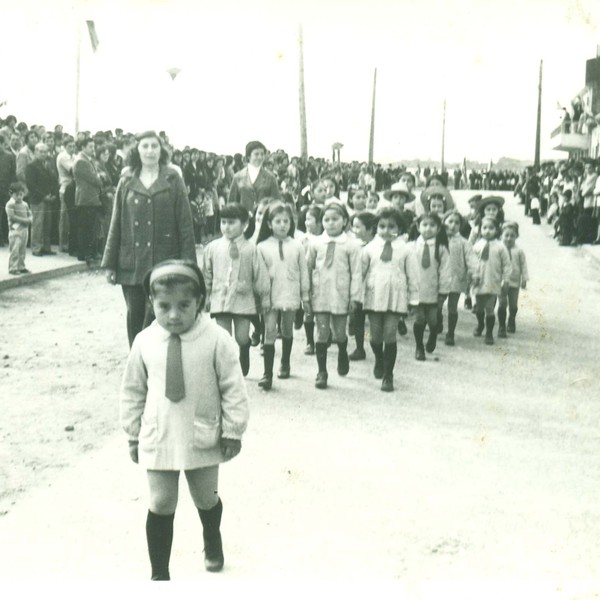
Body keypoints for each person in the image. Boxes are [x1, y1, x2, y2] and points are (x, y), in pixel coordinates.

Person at [120, 259, 249, 580]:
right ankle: (160, 575)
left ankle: (212, 538)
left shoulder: (217, 339)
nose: (174, 314)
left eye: (184, 305)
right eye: (164, 306)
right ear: (151, 302)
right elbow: (133, 389)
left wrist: (233, 431)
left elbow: (233, 388)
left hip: (201, 433)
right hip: (158, 434)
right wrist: (133, 433)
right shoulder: (145, 341)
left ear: (201, 303)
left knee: (205, 498)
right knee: (161, 502)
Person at [102, 130, 197, 347]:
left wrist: (189, 265)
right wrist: (110, 264)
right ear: (137, 150)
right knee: (135, 314)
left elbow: (185, 224)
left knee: (158, 314)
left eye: (154, 146)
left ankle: (157, 361)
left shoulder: (173, 179)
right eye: (144, 146)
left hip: (165, 261)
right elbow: (116, 222)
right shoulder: (127, 179)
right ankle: (137, 363)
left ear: (161, 150)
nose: (150, 151)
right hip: (132, 262)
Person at [202, 203, 270, 376]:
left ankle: (244, 350)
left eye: (232, 222)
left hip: (243, 299)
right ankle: (226, 370)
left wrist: (265, 297)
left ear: (244, 224)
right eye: (223, 222)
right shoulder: (212, 248)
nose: (226, 227)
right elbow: (206, 274)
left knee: (241, 336)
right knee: (224, 337)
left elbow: (260, 275)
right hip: (221, 298)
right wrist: (206, 296)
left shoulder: (251, 249)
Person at [306, 202, 362, 389]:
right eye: (326, 219)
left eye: (335, 219)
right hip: (320, 293)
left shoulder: (352, 245)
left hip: (341, 293)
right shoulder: (315, 243)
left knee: (339, 332)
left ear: (345, 220)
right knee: (322, 332)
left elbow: (356, 273)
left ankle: (342, 352)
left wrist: (355, 297)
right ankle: (322, 371)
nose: (330, 223)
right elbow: (309, 267)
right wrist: (306, 293)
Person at [255, 201, 310, 389]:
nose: (282, 225)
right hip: (269, 296)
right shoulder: (262, 247)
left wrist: (305, 297)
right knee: (270, 330)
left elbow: (303, 271)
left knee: (287, 328)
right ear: (269, 224)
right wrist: (262, 296)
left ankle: (285, 362)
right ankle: (267, 374)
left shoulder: (297, 246)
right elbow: (260, 275)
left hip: (290, 293)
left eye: (286, 221)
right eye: (277, 221)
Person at [362, 208, 418, 391]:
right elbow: (360, 273)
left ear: (400, 228)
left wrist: (414, 300)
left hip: (396, 296)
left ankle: (388, 375)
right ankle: (379, 358)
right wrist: (355, 296)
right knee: (375, 336)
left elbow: (413, 276)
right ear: (376, 227)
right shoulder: (369, 248)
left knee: (389, 334)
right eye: (382, 226)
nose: (386, 230)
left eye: (392, 227)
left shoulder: (406, 250)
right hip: (374, 295)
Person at [410, 213, 451, 361]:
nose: (428, 229)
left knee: (433, 320)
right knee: (419, 319)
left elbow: (445, 271)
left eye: (432, 225)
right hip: (416, 291)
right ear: (418, 226)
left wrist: (443, 291)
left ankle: (433, 334)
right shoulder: (412, 246)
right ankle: (419, 347)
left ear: (439, 228)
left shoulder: (441, 249)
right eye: (424, 225)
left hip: (433, 291)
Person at [440, 210, 479, 346]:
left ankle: (450, 333)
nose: (453, 225)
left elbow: (471, 258)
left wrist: (475, 272)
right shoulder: (438, 239)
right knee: (437, 304)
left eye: (457, 222)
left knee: (452, 306)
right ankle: (437, 321)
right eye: (450, 221)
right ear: (443, 222)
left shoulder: (463, 242)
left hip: (457, 278)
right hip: (440, 278)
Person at [471, 216, 512, 345]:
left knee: (489, 308)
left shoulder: (500, 247)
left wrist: (506, 280)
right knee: (479, 308)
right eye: (485, 228)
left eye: (491, 228)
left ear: (497, 230)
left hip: (493, 281)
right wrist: (472, 276)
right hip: (479, 281)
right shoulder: (477, 246)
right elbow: (471, 262)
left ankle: (489, 333)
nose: (488, 231)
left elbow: (506, 264)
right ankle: (480, 325)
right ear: (480, 229)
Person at [348, 211, 377, 361]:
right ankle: (360, 348)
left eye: (358, 227)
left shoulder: (377, 245)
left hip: (374, 288)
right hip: (359, 289)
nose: (354, 230)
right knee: (358, 319)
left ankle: (374, 343)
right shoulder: (354, 245)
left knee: (373, 321)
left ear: (370, 229)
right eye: (353, 227)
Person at [228, 140, 280, 214]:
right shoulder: (238, 177)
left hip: (264, 221)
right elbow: (231, 204)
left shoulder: (271, 178)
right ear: (248, 156)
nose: (260, 157)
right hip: (243, 221)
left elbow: (276, 203)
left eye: (262, 154)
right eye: (256, 154)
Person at [73, 138, 103, 264]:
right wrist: (101, 178)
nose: (93, 149)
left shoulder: (86, 160)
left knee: (90, 228)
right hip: (85, 198)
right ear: (83, 147)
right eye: (90, 147)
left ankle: (89, 253)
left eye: (93, 146)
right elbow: (94, 179)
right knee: (85, 228)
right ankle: (85, 253)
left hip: (90, 197)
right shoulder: (81, 161)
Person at [25, 142, 58, 256]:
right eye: (41, 152)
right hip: (38, 199)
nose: (44, 154)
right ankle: (36, 248)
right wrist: (44, 196)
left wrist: (53, 194)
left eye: (45, 152)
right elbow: (31, 184)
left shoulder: (48, 165)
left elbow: (53, 181)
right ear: (35, 152)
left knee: (47, 224)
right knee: (38, 224)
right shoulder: (31, 165)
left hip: (48, 198)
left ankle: (46, 247)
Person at [498, 222, 528, 336]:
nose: (509, 238)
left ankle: (511, 320)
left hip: (515, 281)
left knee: (513, 305)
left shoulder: (519, 251)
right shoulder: (499, 249)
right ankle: (501, 326)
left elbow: (523, 265)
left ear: (516, 236)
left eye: (512, 236)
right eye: (506, 235)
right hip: (501, 281)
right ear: (501, 235)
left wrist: (524, 278)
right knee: (502, 303)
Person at [5, 182, 32, 274]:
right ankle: (13, 267)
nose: (19, 197)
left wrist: (30, 219)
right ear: (11, 194)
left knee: (22, 249)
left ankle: (21, 266)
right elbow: (12, 217)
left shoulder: (25, 204)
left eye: (21, 194)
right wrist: (25, 220)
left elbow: (30, 213)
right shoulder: (10, 204)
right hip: (15, 230)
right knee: (15, 249)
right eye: (17, 195)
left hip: (24, 230)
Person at [56, 137, 76, 252]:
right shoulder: (62, 157)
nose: (72, 148)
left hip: (73, 189)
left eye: (73, 146)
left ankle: (69, 242)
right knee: (64, 217)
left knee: (71, 217)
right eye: (70, 146)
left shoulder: (74, 156)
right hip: (65, 188)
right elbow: (73, 170)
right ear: (65, 146)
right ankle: (62, 243)